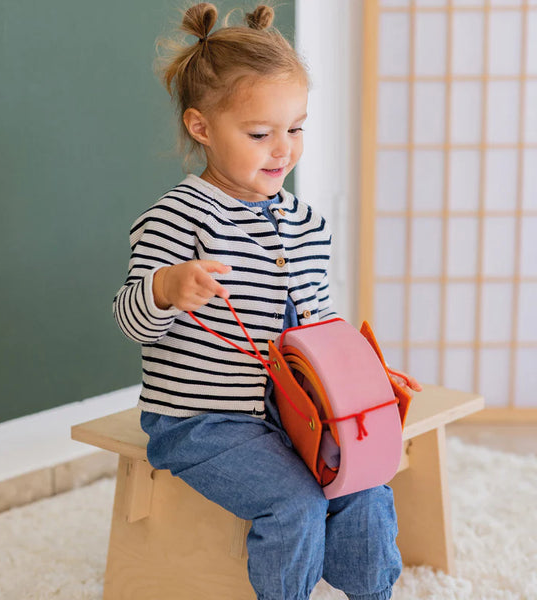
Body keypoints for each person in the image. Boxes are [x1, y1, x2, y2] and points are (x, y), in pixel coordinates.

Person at [113, 4, 421, 599]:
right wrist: (165, 289)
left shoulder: (307, 224)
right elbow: (132, 321)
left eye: (296, 128)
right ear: (202, 128)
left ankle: (371, 591)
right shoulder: (178, 217)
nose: (283, 150)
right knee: (294, 502)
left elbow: (319, 324)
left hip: (295, 414)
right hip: (200, 422)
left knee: (365, 481)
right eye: (260, 134)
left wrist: (355, 381)